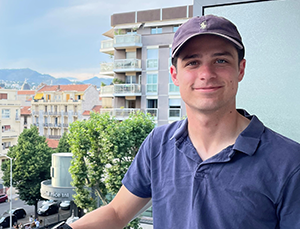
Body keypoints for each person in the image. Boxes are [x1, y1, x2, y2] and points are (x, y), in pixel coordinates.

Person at [66, 15, 300, 228]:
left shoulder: (289, 163)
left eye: (220, 61)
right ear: (174, 75)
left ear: (240, 69)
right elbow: (117, 213)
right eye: (192, 62)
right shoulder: (159, 143)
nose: (206, 74)